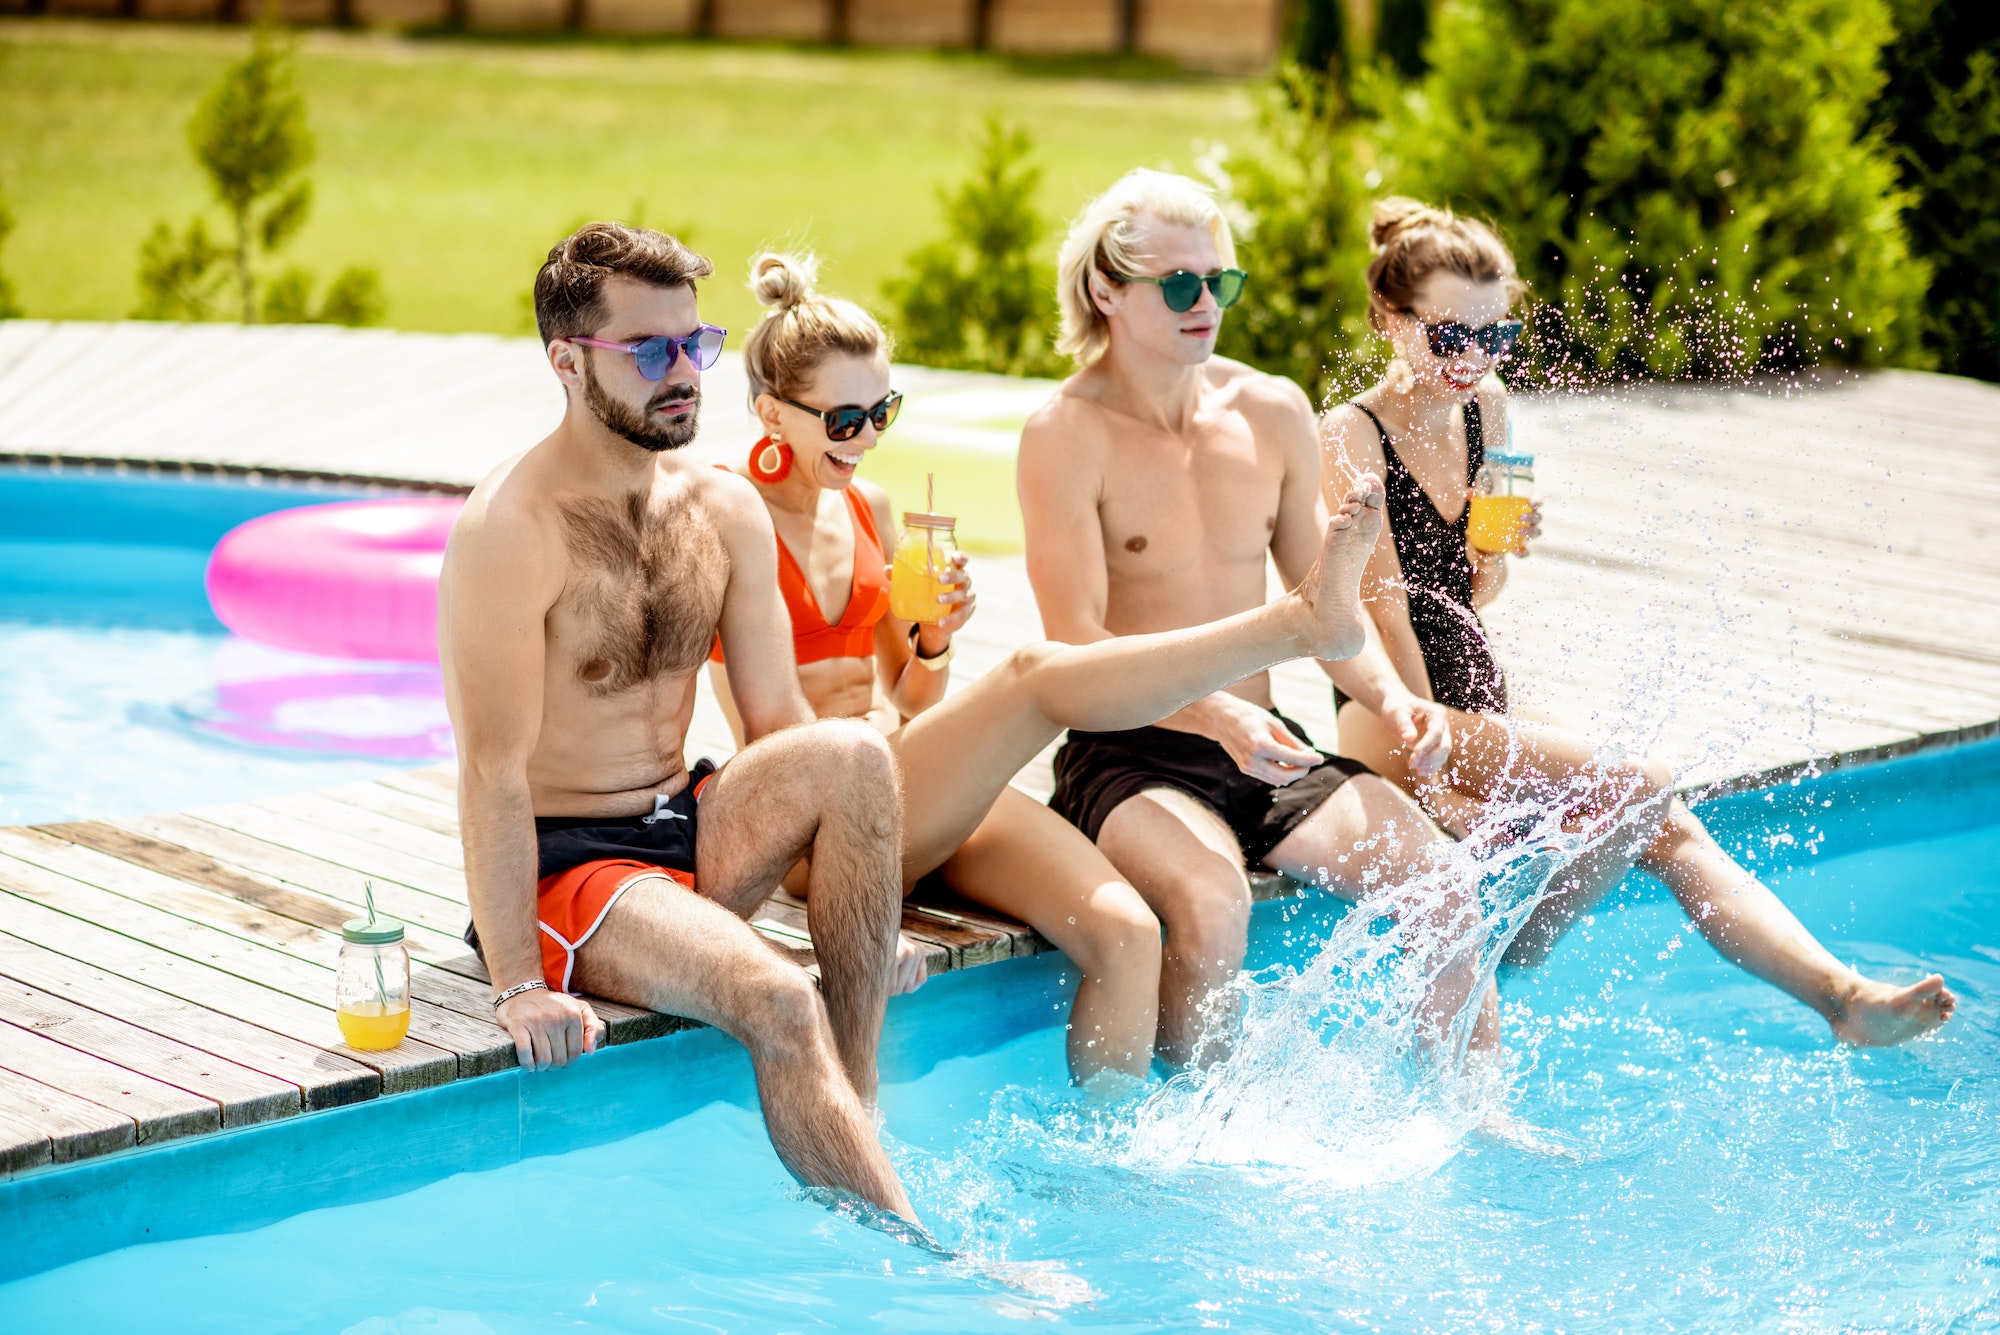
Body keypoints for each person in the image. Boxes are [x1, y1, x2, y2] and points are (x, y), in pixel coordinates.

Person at [706, 251, 1484, 1084]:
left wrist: (931, 639)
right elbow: (770, 731)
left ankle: (1122, 1173)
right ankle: (1291, 624)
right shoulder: (729, 518)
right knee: (1040, 670)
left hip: (915, 779)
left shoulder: (872, 507)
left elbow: (907, 693)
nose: (865, 439)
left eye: (881, 411)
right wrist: (850, 911)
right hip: (814, 821)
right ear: (771, 414)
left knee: (1126, 931)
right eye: (842, 420)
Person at [1018, 169, 1623, 1068]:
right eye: (1180, 284)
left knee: (1450, 891)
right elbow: (1075, 645)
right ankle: (1189, 1147)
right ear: (1106, 289)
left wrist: (1393, 701)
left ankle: (1472, 1123)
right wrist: (1219, 712)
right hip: (1133, 749)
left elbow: (1323, 605)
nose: (1206, 302)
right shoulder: (1063, 434)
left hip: (1270, 747)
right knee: (1215, 905)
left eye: (1219, 281)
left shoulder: (1269, 410)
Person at [1317, 197, 1956, 1045]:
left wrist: (1498, 554)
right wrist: (1431, 755)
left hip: (1474, 692)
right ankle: (1526, 934)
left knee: (1668, 818)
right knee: (1640, 781)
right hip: (1392, 709)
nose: (1474, 360)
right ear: (1390, 321)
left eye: (1495, 337)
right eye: (1450, 338)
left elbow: (1477, 593)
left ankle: (1842, 998)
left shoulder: (1489, 411)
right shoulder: (1349, 434)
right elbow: (1384, 606)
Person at [441, 222, 918, 1220]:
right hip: (577, 868)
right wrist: (517, 986)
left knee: (855, 752)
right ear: (568, 363)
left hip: (689, 825)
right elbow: (492, 773)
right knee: (779, 998)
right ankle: (930, 1269)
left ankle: (859, 1109)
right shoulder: (509, 530)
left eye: (694, 345)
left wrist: (859, 915)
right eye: (650, 350)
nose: (685, 373)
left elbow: (777, 724)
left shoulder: (721, 507)